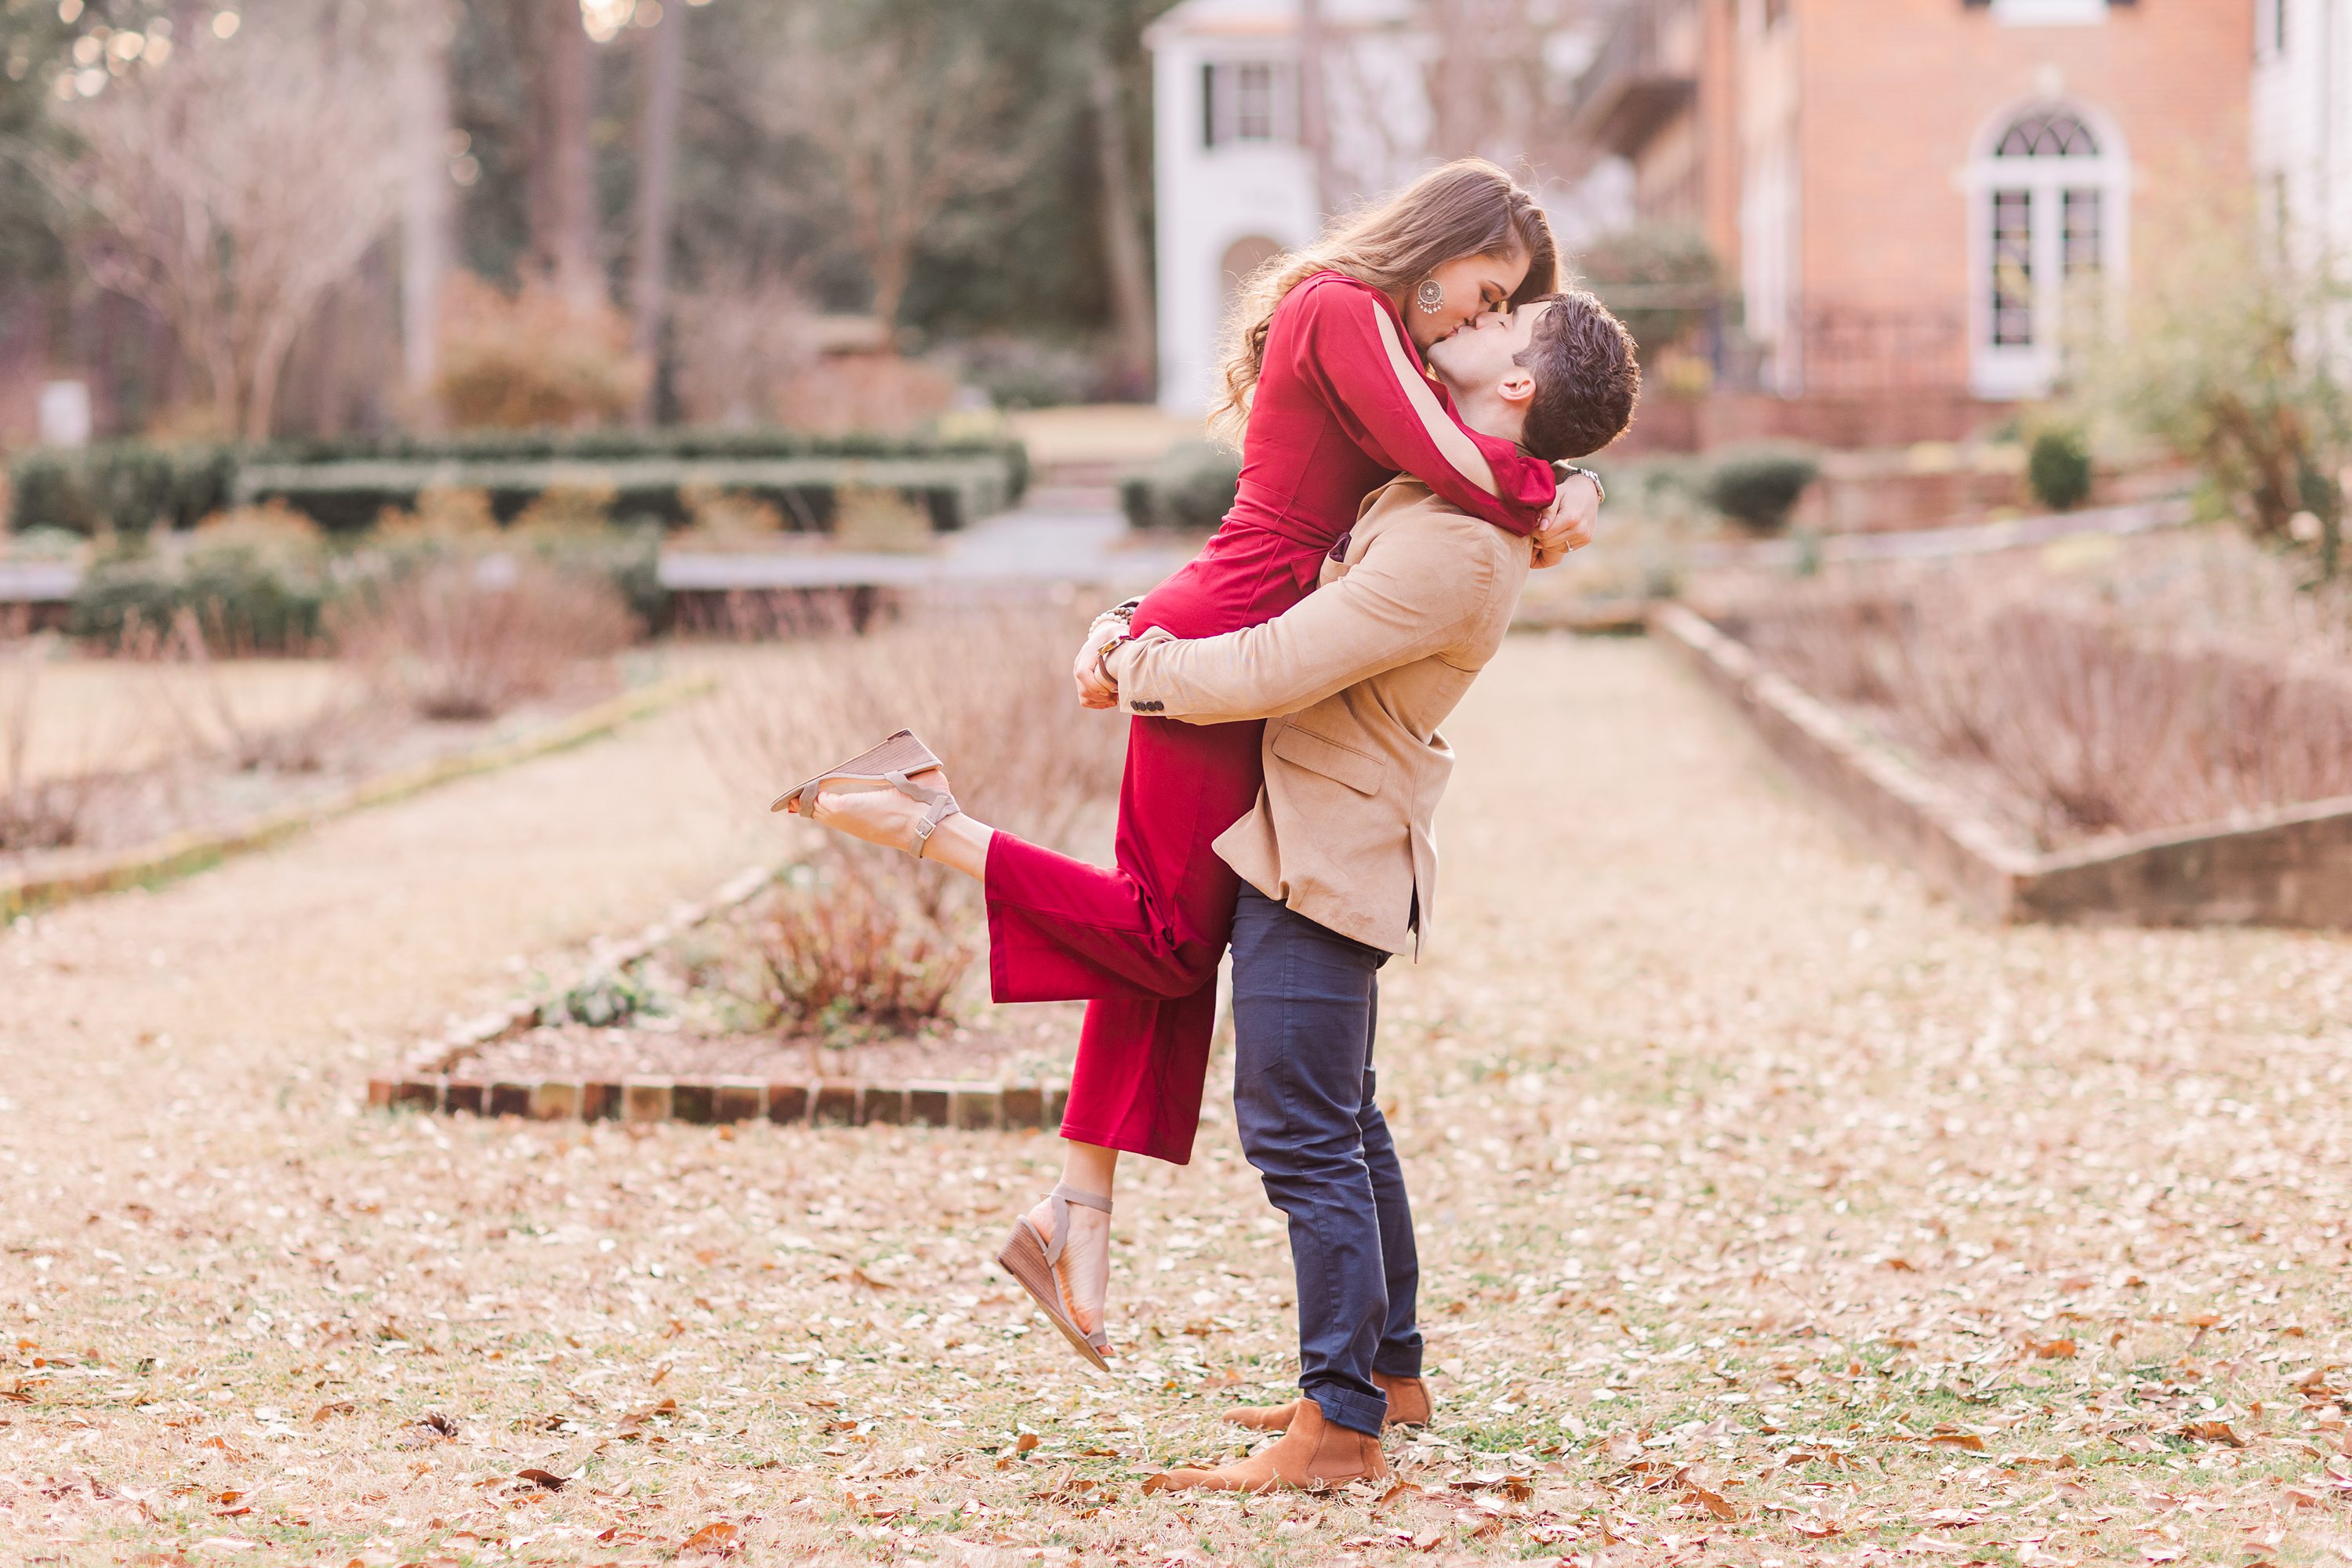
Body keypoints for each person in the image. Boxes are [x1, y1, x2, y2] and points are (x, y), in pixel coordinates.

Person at [779, 159, 1600, 1370]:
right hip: (1232, 634)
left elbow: (1462, 450)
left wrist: (1565, 473)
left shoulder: (1398, 346)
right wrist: (1562, 489)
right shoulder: (1342, 306)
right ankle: (926, 820)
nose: (1481, 319)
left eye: (1501, 309)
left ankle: (1078, 1216)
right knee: (1166, 937)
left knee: (1166, 932)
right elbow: (1460, 467)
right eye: (1486, 289)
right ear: (1438, 245)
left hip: (1244, 622)